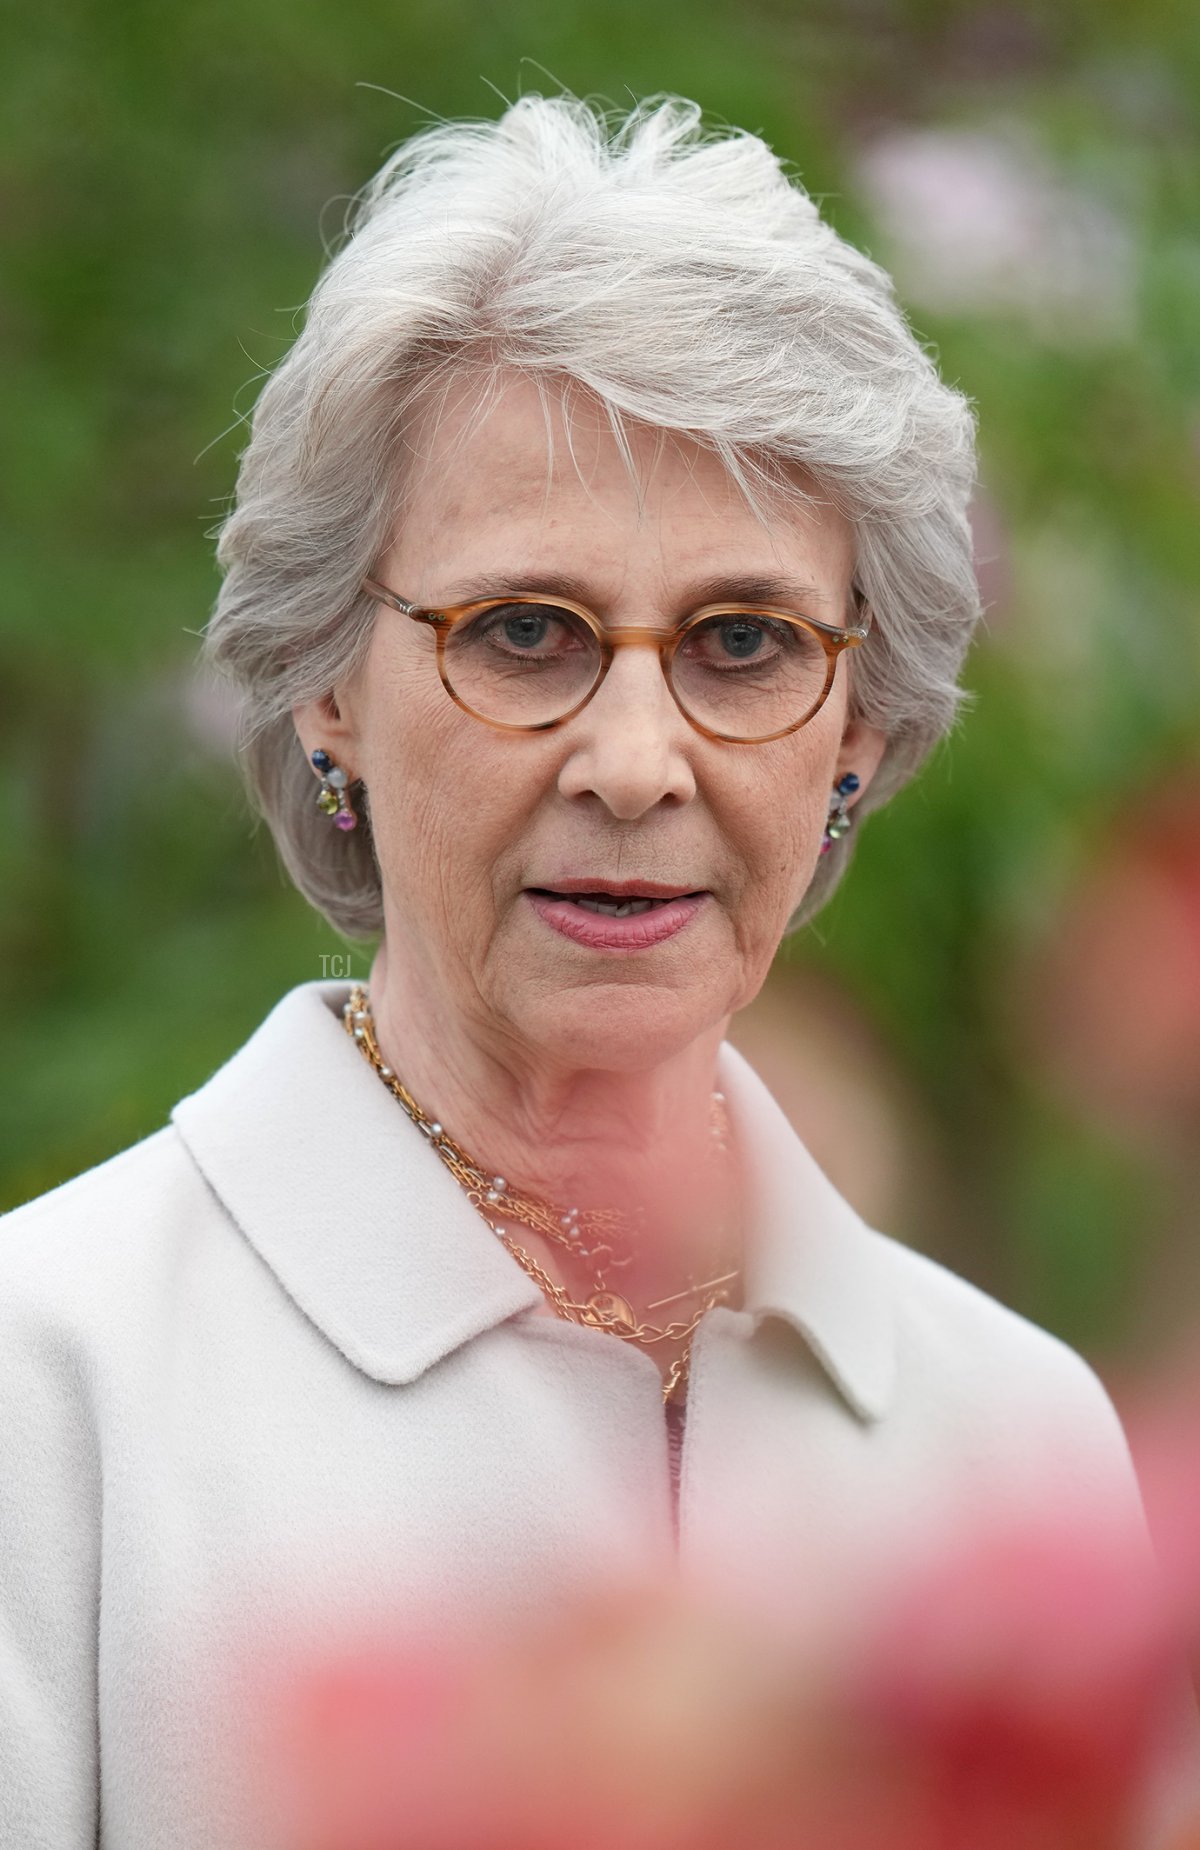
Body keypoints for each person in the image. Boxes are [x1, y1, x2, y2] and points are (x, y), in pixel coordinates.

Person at [0, 94, 1189, 1849]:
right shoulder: (47, 1379)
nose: (637, 760)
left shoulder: (1022, 1439)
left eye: (743, 643)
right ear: (327, 679)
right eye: (526, 632)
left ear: (858, 727)